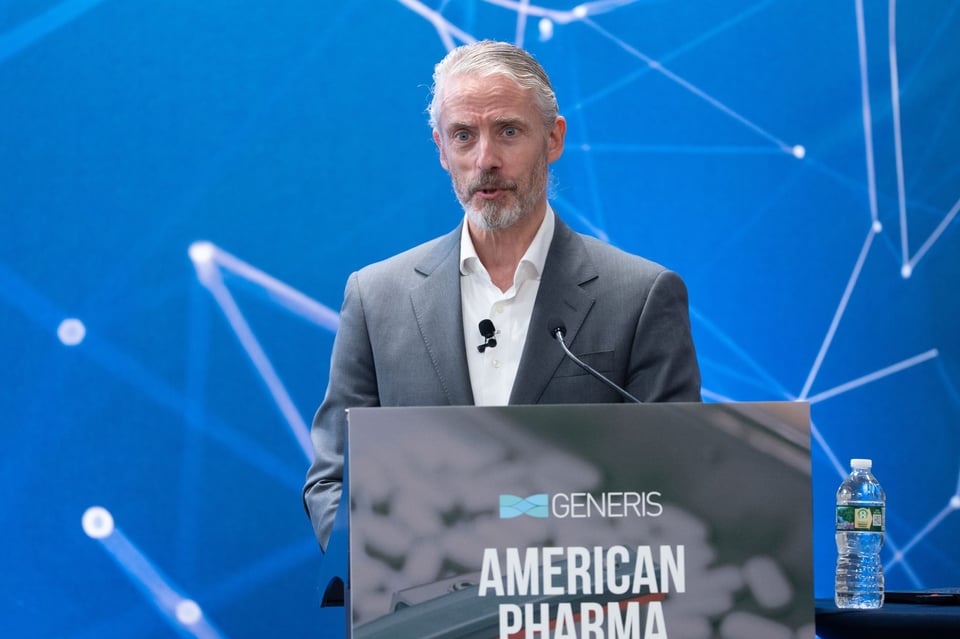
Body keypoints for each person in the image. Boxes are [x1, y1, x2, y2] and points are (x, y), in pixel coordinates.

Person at [302, 40, 701, 551]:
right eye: (463, 136)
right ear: (441, 150)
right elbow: (331, 482)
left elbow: (679, 482)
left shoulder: (641, 296)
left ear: (553, 139)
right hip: (425, 618)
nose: (485, 159)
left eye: (508, 131)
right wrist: (401, 557)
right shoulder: (376, 297)